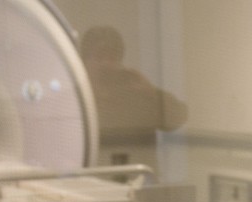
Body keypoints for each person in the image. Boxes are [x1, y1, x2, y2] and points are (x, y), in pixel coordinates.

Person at [80, 25, 188, 162]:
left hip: (139, 179)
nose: (106, 64)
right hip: (91, 179)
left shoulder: (137, 97)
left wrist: (151, 91)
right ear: (84, 61)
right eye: (99, 57)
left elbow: (178, 117)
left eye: (113, 58)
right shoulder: (75, 100)